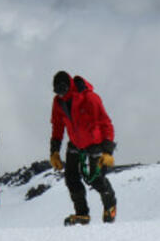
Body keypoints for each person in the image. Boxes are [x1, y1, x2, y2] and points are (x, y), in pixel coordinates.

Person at [49, 70, 117, 226]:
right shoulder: (58, 103)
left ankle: (110, 205)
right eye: (57, 91)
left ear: (69, 86)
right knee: (71, 178)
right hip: (76, 144)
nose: (60, 94)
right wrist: (54, 152)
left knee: (96, 179)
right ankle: (82, 214)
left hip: (95, 143)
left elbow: (106, 123)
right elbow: (57, 127)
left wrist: (107, 151)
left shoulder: (89, 98)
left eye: (62, 90)